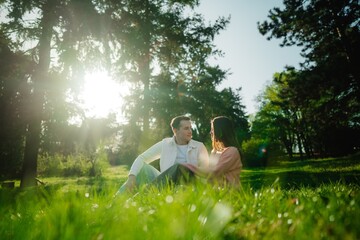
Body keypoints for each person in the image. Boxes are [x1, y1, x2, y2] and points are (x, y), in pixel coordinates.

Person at [117, 115, 209, 194]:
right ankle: (116, 201)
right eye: (186, 128)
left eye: (190, 128)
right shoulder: (165, 144)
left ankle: (143, 194)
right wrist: (131, 177)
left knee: (178, 167)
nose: (190, 131)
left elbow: (206, 171)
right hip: (165, 183)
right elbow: (142, 158)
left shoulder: (199, 147)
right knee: (143, 168)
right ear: (175, 130)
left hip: (189, 185)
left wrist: (187, 169)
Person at [183, 116, 242, 186]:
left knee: (179, 168)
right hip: (214, 192)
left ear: (221, 131)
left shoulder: (232, 151)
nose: (210, 132)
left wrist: (187, 166)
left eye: (212, 129)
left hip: (229, 194)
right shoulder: (214, 151)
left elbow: (214, 172)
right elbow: (208, 174)